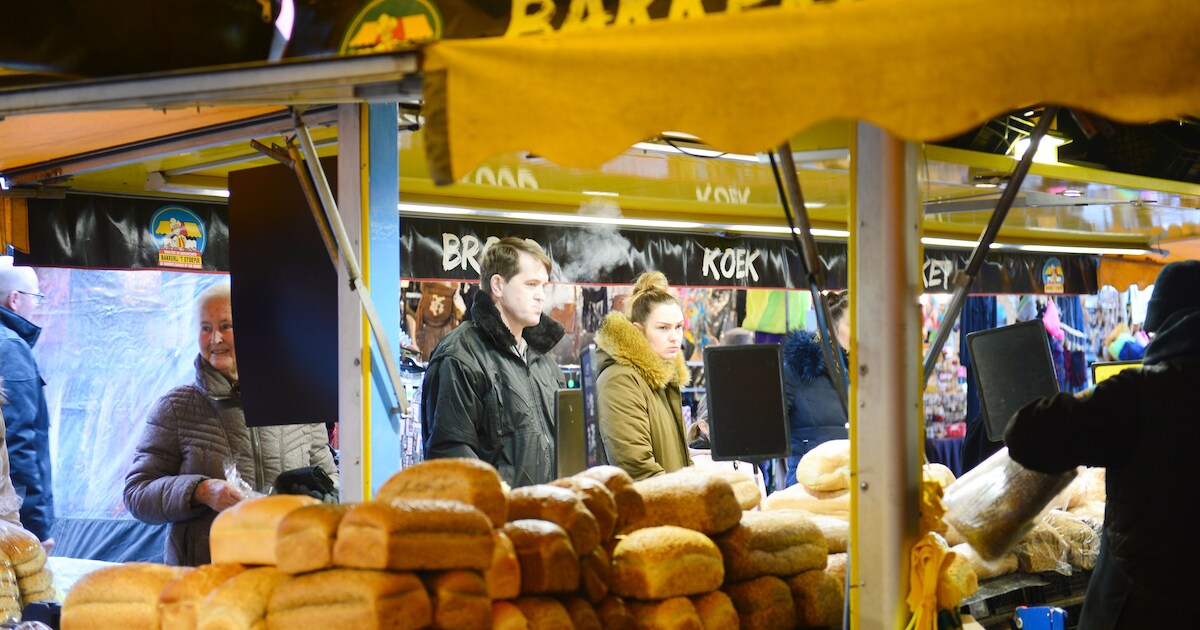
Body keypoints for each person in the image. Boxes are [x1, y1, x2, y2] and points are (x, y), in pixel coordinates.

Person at [1004, 260, 1200, 630]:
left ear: (1160, 329)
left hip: (1136, 608)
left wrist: (1090, 398)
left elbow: (1025, 433)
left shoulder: (1137, 395)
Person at [124, 282, 339, 566]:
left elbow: (330, 481)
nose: (215, 339)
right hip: (206, 579)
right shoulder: (176, 407)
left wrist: (316, 501)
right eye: (205, 328)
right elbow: (137, 493)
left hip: (286, 570)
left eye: (226, 325)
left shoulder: (296, 401)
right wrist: (200, 491)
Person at [422, 237, 565, 487]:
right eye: (531, 284)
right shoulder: (460, 356)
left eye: (544, 286)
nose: (541, 296)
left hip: (548, 517)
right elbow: (450, 454)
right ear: (498, 285)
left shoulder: (546, 364)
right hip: (496, 521)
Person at [595, 271, 691, 480]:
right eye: (663, 328)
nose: (675, 337)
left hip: (670, 505)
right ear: (638, 331)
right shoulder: (620, 381)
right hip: (649, 509)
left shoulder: (663, 380)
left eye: (678, 327)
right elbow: (637, 468)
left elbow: (681, 462)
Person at [0, 258, 54, 550]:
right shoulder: (10, 347)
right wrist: (36, 527)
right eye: (36, 297)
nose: (38, 305)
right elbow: (17, 442)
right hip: (13, 523)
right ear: (15, 299)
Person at [781, 290, 850, 487]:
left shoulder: (869, 374)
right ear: (831, 328)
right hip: (808, 489)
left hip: (857, 489)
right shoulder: (799, 369)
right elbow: (769, 430)